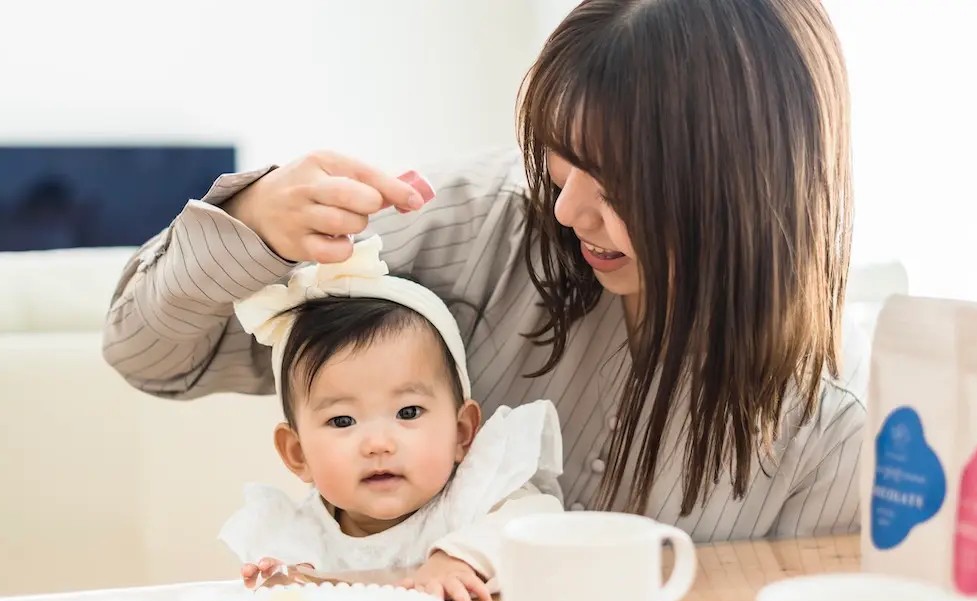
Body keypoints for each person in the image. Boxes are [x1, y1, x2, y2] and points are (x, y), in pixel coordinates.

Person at [102, 0, 864, 542]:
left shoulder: (827, 433)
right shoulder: (475, 228)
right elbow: (152, 360)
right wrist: (250, 225)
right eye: (563, 161)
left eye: (621, 186)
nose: (568, 211)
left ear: (744, 187)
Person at [220, 236, 564, 601]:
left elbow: (540, 521)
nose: (378, 444)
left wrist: (462, 559)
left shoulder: (472, 501)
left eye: (408, 412)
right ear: (297, 453)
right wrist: (285, 584)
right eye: (342, 420)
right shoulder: (298, 535)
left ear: (462, 432)